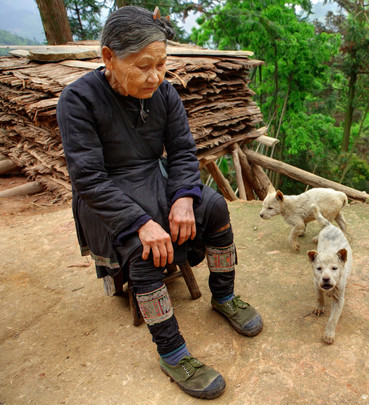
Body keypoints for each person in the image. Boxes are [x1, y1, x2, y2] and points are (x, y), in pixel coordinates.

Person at [56, 5, 263, 400]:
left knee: (215, 206)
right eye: (142, 66)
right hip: (107, 198)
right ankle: (172, 351)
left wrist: (185, 196)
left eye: (162, 65)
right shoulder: (77, 100)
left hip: (157, 177)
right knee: (144, 245)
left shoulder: (164, 92)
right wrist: (139, 223)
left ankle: (224, 295)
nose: (155, 76)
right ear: (108, 58)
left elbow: (183, 151)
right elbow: (88, 178)